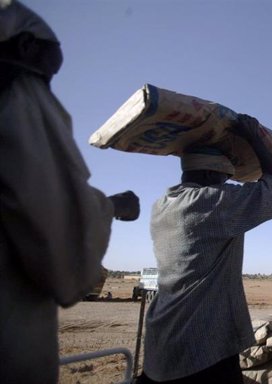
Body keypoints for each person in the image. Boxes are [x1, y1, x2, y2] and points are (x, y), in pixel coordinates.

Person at [0, 2, 141, 383]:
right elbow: (57, 234)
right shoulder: (17, 96)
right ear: (27, 48)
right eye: (50, 71)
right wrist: (111, 206)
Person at [139, 114, 272, 383]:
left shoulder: (163, 204)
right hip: (202, 342)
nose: (229, 185)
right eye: (225, 178)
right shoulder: (209, 203)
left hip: (162, 337)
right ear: (210, 174)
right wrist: (253, 136)